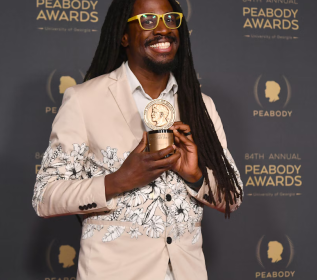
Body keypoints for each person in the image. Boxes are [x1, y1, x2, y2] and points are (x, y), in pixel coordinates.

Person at [32, 0, 243, 279]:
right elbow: (45, 196)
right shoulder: (84, 100)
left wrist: (194, 175)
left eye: (170, 20)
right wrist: (118, 180)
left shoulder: (200, 106)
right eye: (147, 21)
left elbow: (232, 196)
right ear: (123, 35)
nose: (162, 29)